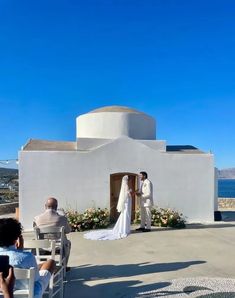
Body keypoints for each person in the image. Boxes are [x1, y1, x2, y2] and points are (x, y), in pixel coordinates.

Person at [0, 218, 55, 298]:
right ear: (17, 237)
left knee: (36, 267)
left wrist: (19, 251)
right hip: (30, 293)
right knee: (50, 262)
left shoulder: (24, 257)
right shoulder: (27, 257)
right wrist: (20, 252)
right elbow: (36, 279)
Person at [84, 175, 132, 240]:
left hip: (125, 202)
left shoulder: (124, 186)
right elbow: (127, 194)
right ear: (127, 180)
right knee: (126, 214)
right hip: (126, 202)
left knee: (124, 214)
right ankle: (124, 229)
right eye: (129, 179)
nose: (129, 180)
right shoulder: (126, 186)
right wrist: (131, 191)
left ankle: (123, 228)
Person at [33, 197, 71, 266]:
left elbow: (35, 231)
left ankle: (43, 265)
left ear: (45, 206)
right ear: (56, 207)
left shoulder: (37, 218)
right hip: (57, 247)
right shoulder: (62, 218)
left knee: (36, 241)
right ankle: (64, 266)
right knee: (68, 242)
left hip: (42, 247)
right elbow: (68, 231)